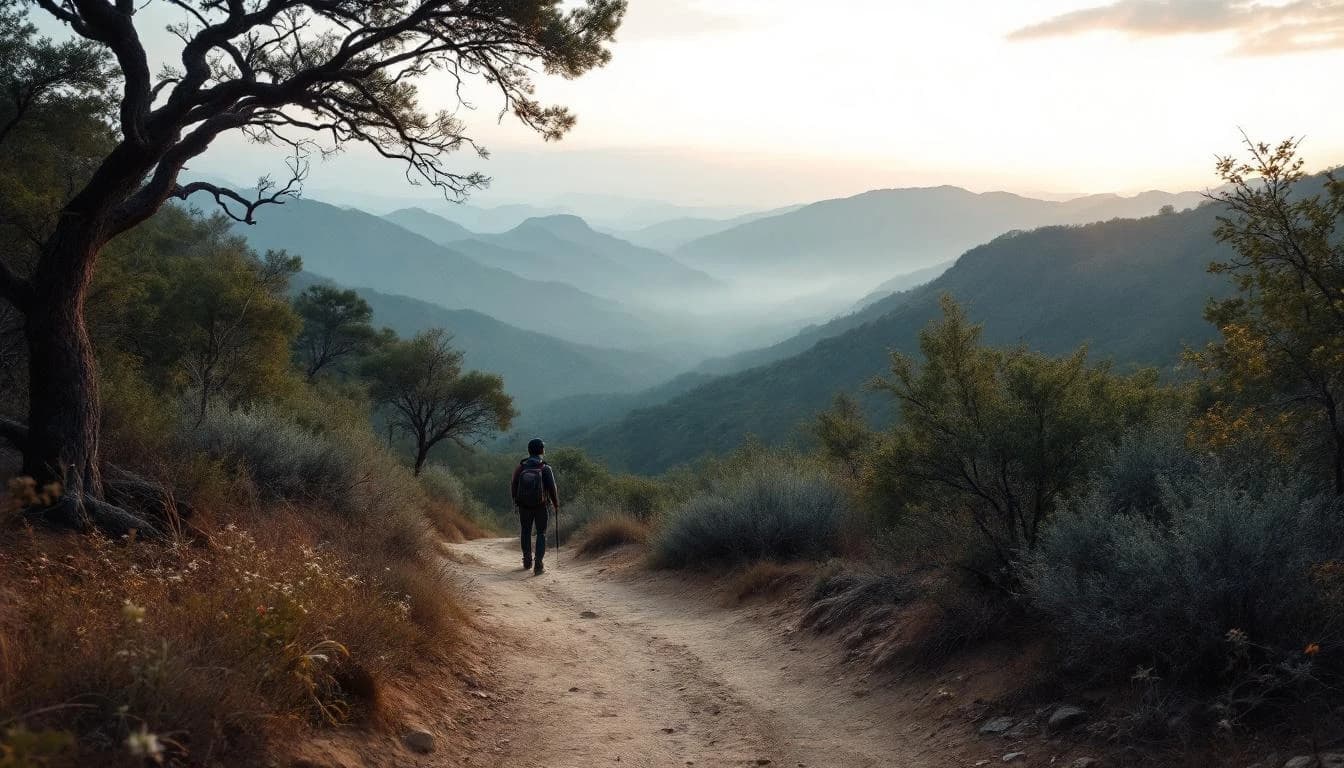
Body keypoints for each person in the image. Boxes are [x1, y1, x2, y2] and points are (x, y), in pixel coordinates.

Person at [510, 437, 559, 575]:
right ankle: (538, 564)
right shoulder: (545, 468)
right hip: (541, 505)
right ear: (542, 450)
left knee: (525, 531)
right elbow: (552, 488)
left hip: (524, 505)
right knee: (541, 533)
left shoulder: (521, 467)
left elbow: (513, 484)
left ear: (529, 450)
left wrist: (516, 500)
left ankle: (527, 560)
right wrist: (556, 504)